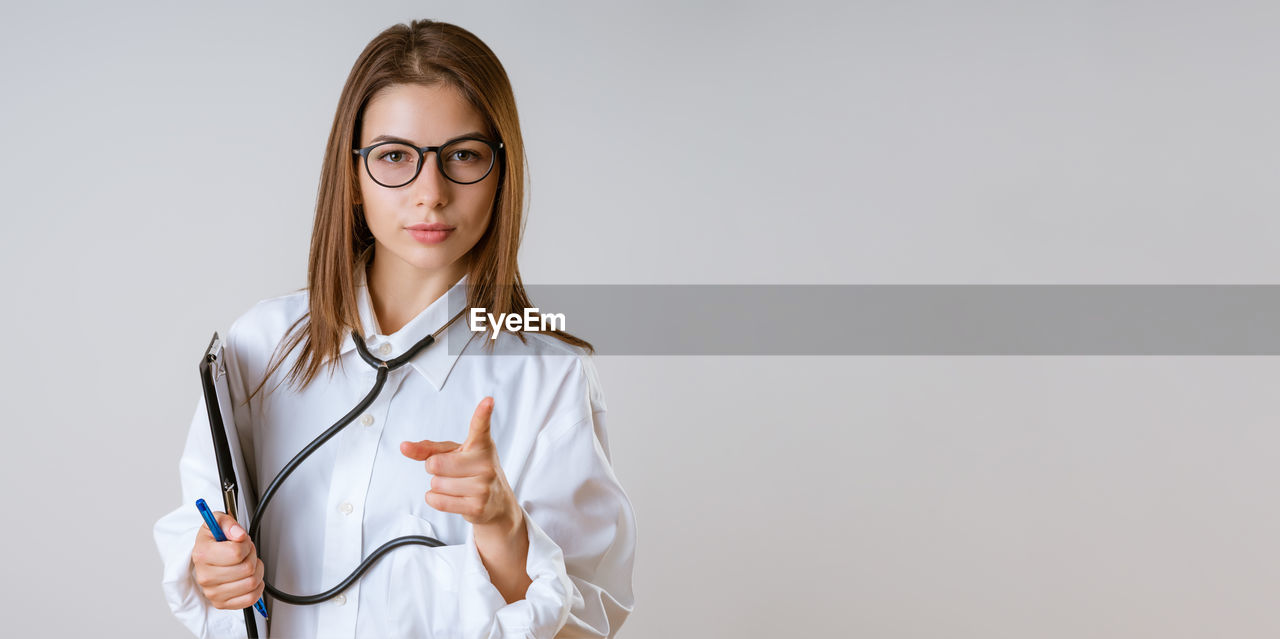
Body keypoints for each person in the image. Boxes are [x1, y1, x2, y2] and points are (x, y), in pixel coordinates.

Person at [153, 19, 636, 638]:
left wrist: (503, 527)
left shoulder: (551, 379)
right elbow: (204, 542)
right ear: (354, 178)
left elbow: (589, 627)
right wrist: (212, 567)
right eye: (394, 157)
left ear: (501, 172)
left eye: (463, 155)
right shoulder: (260, 347)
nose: (429, 193)